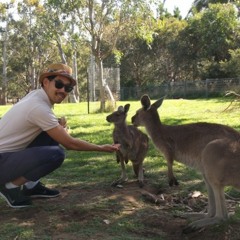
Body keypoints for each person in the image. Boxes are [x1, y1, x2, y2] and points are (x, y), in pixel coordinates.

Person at [0, 63, 120, 208]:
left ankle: (31, 186)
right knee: (56, 154)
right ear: (46, 82)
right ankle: (10, 187)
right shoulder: (38, 107)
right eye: (59, 84)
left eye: (68, 88)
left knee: (54, 132)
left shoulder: (35, 96)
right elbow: (70, 144)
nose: (63, 90)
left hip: (7, 155)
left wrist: (57, 125)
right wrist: (102, 148)